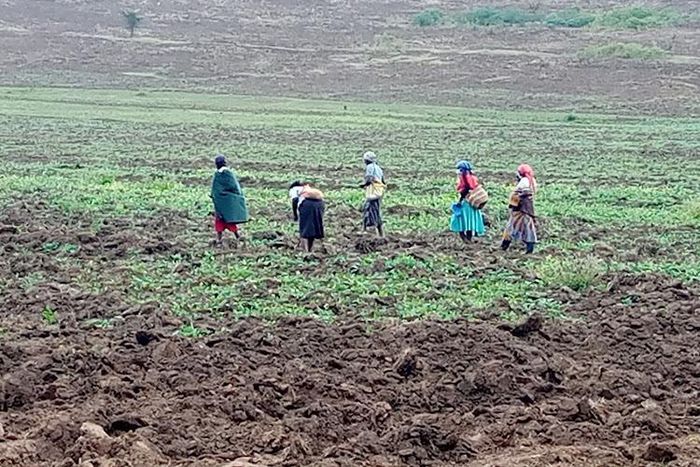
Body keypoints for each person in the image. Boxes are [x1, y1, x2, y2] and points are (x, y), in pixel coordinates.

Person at [211, 154, 249, 246]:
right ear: (225, 163)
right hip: (228, 202)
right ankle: (237, 237)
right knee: (228, 219)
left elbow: (215, 190)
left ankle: (220, 240)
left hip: (220, 202)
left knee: (220, 220)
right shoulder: (228, 174)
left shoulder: (217, 175)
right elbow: (234, 187)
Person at [501, 164, 537, 254]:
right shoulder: (532, 180)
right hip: (528, 208)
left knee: (511, 226)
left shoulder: (523, 181)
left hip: (520, 208)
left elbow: (520, 194)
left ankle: (504, 246)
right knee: (528, 228)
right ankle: (530, 248)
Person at [450, 160, 486, 243]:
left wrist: (459, 201)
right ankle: (469, 239)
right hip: (472, 204)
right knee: (470, 221)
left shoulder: (464, 180)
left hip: (466, 203)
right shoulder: (473, 178)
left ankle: (464, 238)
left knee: (460, 220)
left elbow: (464, 192)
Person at [361, 151, 386, 237]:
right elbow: (383, 181)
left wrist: (364, 185)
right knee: (377, 211)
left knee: (369, 209)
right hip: (379, 192)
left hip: (373, 192)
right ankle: (381, 234)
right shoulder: (379, 168)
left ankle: (370, 233)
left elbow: (369, 178)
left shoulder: (370, 167)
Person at [297, 184, 325, 252]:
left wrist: (296, 214)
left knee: (305, 229)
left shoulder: (297, 192)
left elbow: (296, 203)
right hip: (319, 205)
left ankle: (306, 251)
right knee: (314, 227)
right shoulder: (316, 195)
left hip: (307, 206)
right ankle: (310, 249)